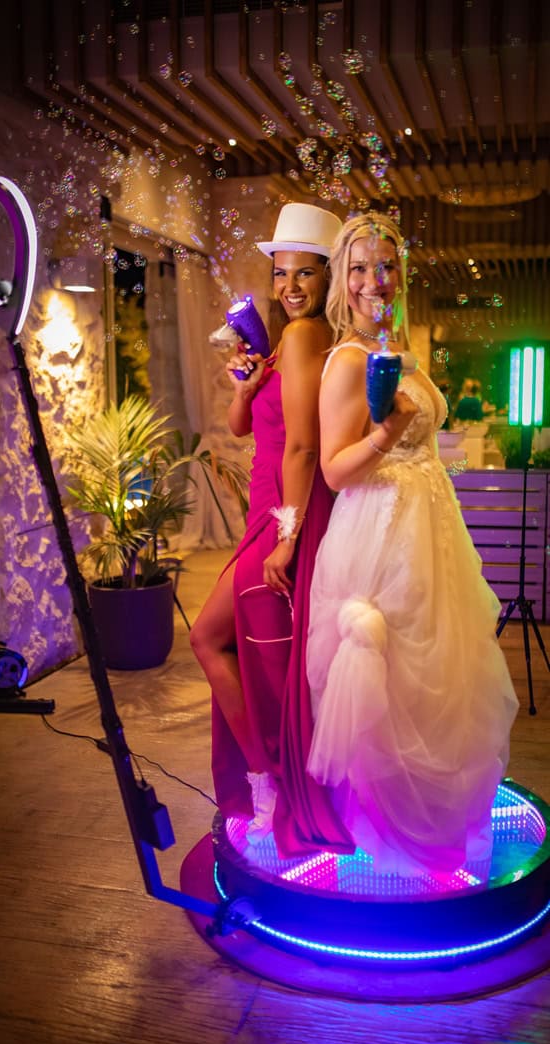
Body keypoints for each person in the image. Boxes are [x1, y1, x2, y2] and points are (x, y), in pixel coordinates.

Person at [304, 211, 519, 875]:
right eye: (359, 268)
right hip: (381, 535)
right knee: (396, 680)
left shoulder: (402, 350)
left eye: (386, 266)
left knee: (444, 678)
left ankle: (441, 826)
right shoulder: (347, 361)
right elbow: (334, 470)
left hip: (432, 531)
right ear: (342, 280)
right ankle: (396, 840)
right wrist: (386, 433)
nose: (374, 280)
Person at [190, 202, 347, 846]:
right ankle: (268, 776)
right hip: (267, 515)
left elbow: (304, 448)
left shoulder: (308, 335)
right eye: (281, 273)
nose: (290, 286)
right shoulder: (285, 340)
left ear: (328, 276)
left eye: (304, 273)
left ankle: (270, 779)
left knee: (213, 641)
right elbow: (242, 429)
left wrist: (288, 537)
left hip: (285, 516)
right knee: (247, 651)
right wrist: (245, 388)